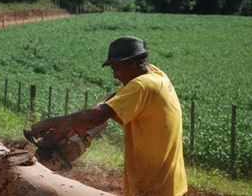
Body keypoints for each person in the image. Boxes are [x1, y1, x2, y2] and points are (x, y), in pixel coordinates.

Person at [31, 36, 188, 196]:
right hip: (169, 183)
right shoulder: (155, 74)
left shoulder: (141, 86)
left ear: (132, 64)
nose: (114, 75)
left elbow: (97, 117)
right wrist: (97, 108)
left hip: (157, 189)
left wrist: (50, 123)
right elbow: (113, 96)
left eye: (116, 68)